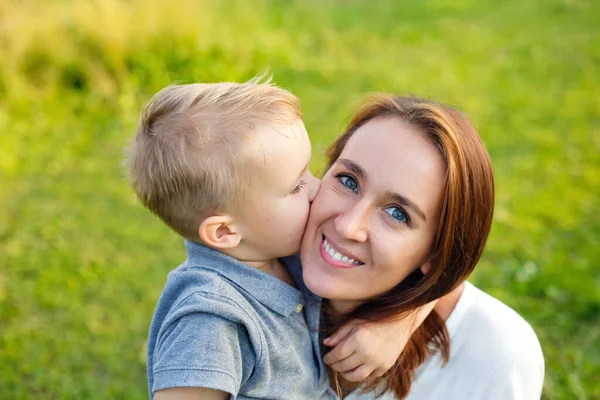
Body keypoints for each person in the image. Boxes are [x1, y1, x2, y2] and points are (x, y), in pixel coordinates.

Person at [126, 79, 432, 400]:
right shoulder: (210, 320)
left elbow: (445, 273)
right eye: (296, 187)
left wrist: (397, 326)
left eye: (309, 173)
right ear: (226, 232)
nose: (317, 189)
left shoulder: (279, 251)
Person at [300, 94, 545, 399]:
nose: (348, 226)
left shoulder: (493, 352)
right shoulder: (244, 256)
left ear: (436, 254)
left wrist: (404, 317)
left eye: (397, 213)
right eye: (348, 181)